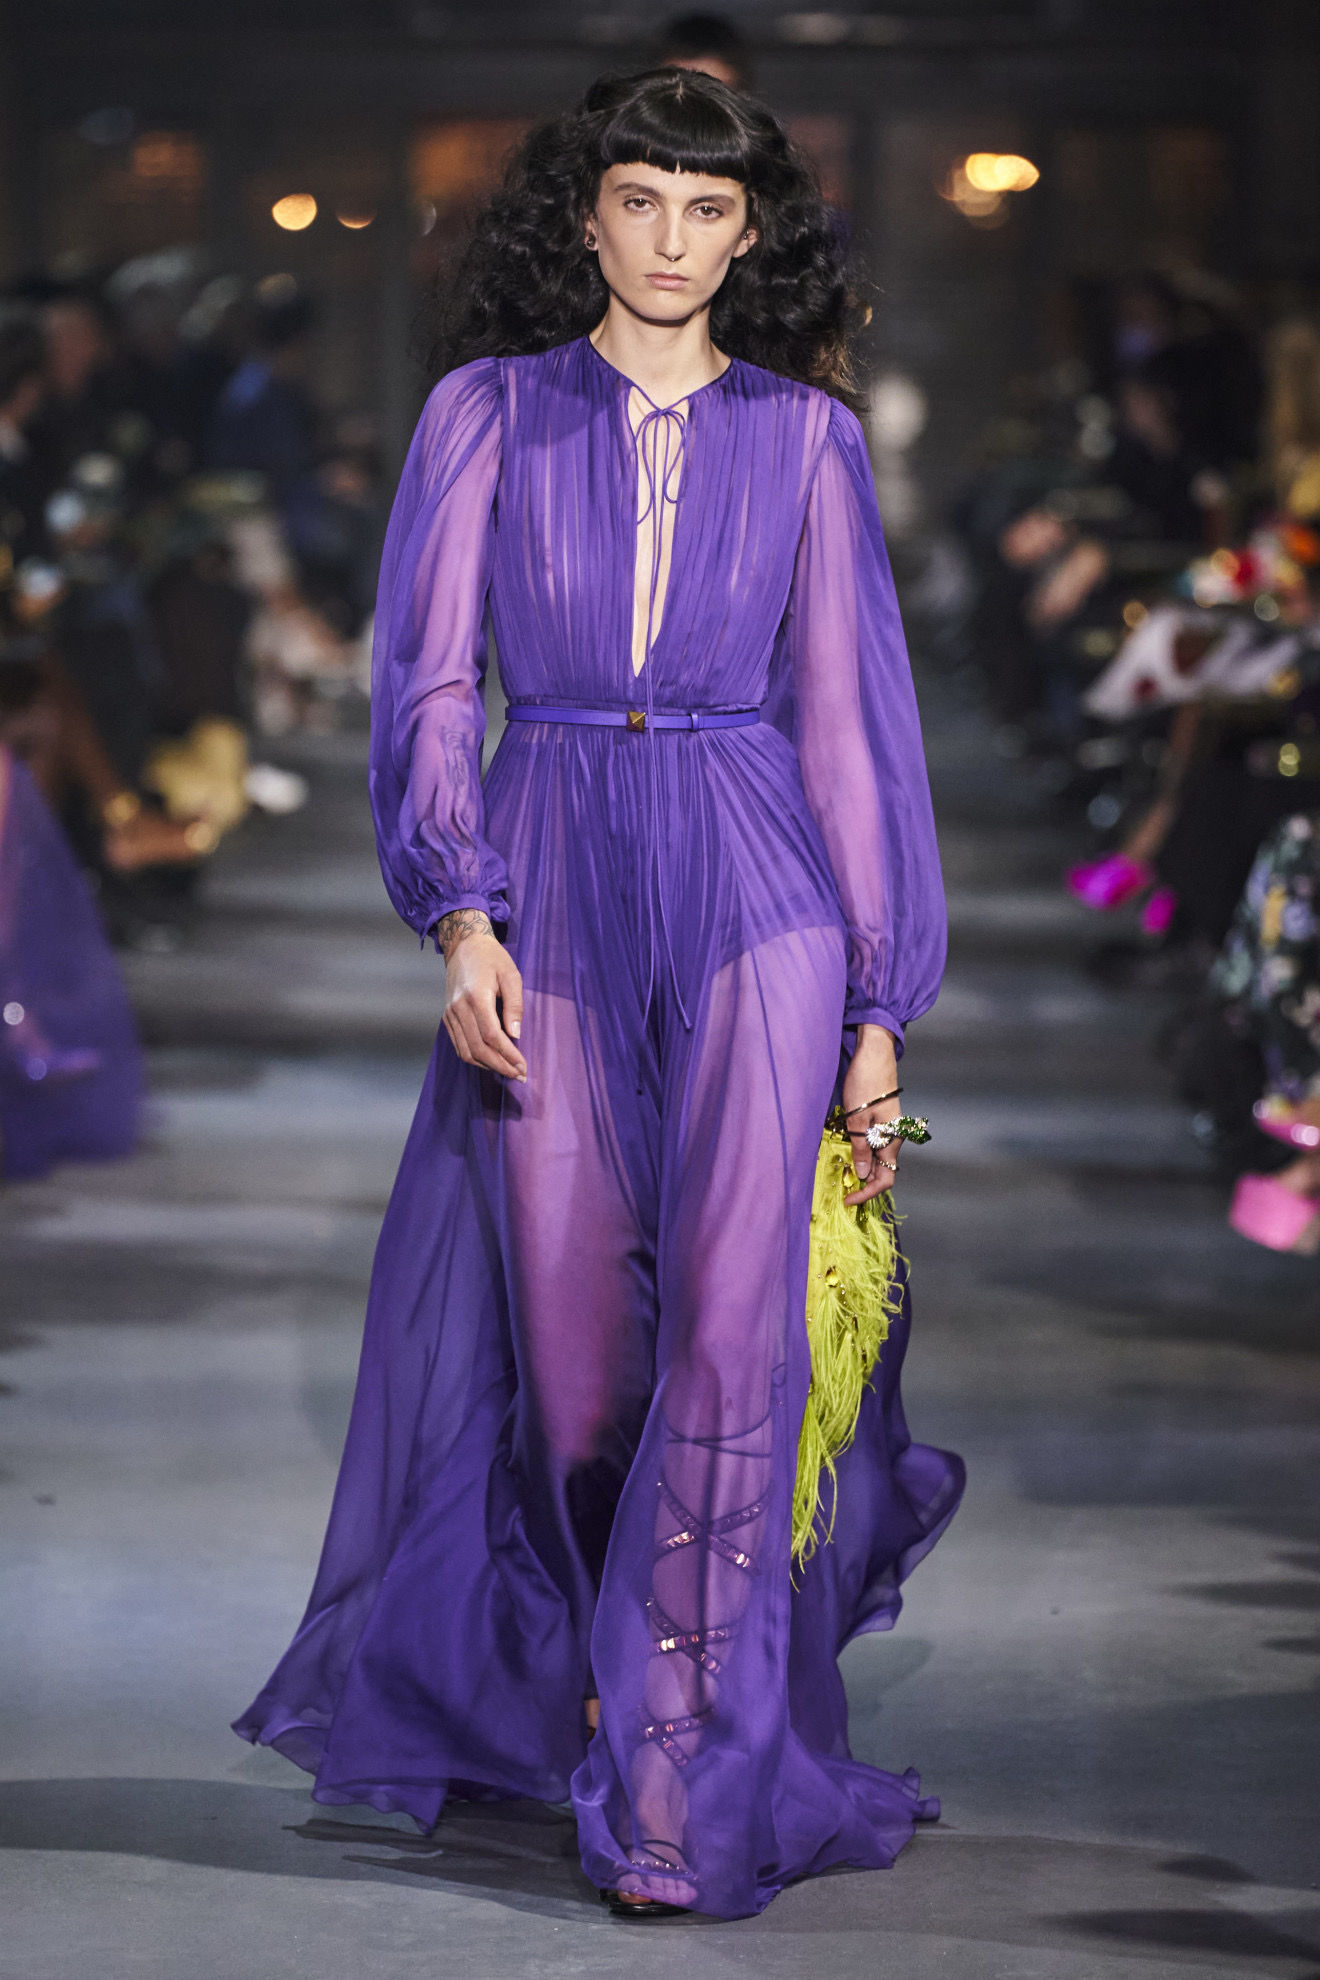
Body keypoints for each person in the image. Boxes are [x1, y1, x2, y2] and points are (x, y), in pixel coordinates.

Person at [235, 68, 961, 1921]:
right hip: (548, 868)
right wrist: (458, 914)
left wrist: (879, 1014)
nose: (671, 240)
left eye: (708, 211)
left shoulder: (808, 440)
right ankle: (590, 1680)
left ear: (749, 233)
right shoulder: (483, 412)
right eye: (641, 201)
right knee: (570, 1379)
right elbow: (428, 682)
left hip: (755, 889)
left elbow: (851, 730)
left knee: (731, 1347)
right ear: (587, 216)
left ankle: (676, 1780)